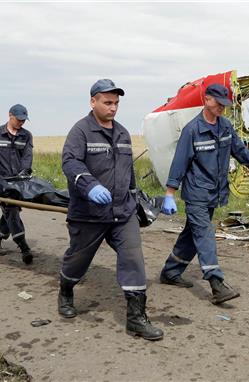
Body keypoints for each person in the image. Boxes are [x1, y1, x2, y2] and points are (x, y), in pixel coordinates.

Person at [58, 79, 163, 341]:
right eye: (107, 102)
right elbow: (70, 163)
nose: (113, 107)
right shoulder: (80, 131)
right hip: (89, 213)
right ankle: (66, 289)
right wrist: (89, 185)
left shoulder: (123, 134)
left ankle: (136, 318)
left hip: (122, 213)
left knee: (133, 257)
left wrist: (138, 200)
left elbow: (129, 173)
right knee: (77, 260)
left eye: (116, 103)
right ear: (93, 101)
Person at [159, 83, 249, 304]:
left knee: (192, 235)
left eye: (225, 105)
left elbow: (239, 149)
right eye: (219, 103)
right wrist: (170, 193)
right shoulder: (192, 130)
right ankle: (216, 284)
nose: (222, 108)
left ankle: (170, 272)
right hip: (196, 194)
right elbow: (179, 163)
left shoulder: (225, 127)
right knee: (205, 235)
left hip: (214, 193)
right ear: (207, 100)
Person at [0, 104, 34, 264]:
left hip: (18, 182)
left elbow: (27, 158)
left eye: (24, 120)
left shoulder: (26, 136)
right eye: (19, 119)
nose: (21, 123)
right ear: (10, 115)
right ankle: (24, 247)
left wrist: (25, 172)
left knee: (10, 210)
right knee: (11, 210)